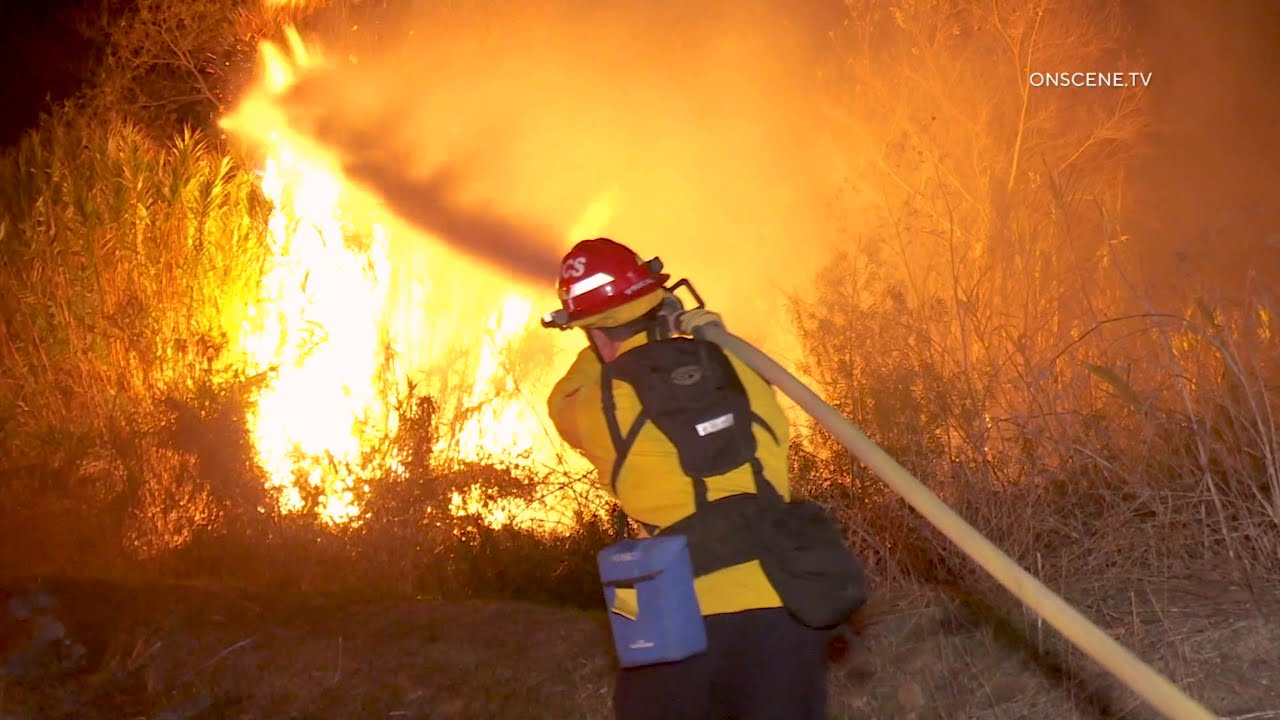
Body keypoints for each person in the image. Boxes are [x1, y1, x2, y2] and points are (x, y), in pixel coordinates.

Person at [545, 237, 832, 720]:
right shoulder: (742, 367)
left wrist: (609, 340)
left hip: (672, 616)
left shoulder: (601, 404)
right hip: (783, 601)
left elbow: (561, 403)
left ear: (593, 334)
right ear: (660, 300)